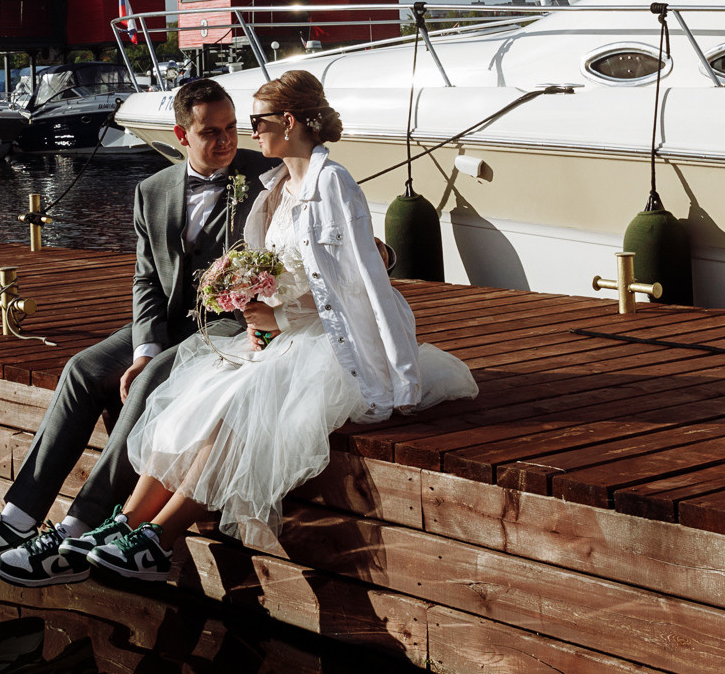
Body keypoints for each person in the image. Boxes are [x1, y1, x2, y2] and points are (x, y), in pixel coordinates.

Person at [87, 70, 476, 579]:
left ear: (288, 122)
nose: (250, 133)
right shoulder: (278, 186)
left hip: (329, 342)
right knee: (197, 401)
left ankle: (158, 538)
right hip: (283, 334)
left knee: (235, 410)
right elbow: (282, 268)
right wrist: (253, 301)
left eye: (256, 121)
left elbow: (357, 282)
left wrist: (395, 368)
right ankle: (127, 523)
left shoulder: (331, 182)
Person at [0, 76, 270, 584]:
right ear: (181, 135)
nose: (224, 141)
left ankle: (76, 526)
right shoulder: (152, 191)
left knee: (152, 382)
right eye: (209, 132)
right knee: (83, 369)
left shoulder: (268, 175)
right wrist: (144, 346)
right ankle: (17, 517)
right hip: (172, 323)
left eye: (230, 129)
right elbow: (147, 279)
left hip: (231, 326)